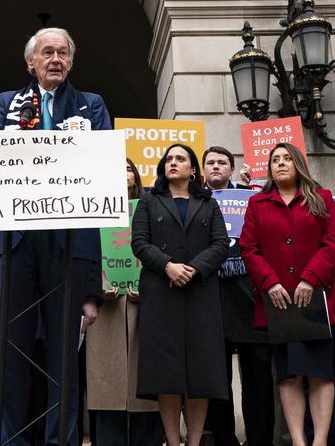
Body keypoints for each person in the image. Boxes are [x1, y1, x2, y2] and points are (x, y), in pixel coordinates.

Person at [0, 27, 108, 446]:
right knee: (11, 350)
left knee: (63, 354)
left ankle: (61, 440)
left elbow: (102, 169)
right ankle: (9, 439)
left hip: (69, 242)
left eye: (63, 52)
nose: (56, 59)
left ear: (71, 61)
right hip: (15, 241)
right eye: (47, 52)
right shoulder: (5, 103)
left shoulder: (91, 105)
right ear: (31, 62)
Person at [239, 142, 335, 446]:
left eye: (287, 158)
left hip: (317, 299)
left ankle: (320, 441)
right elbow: (249, 247)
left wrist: (311, 279)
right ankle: (299, 442)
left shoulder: (322, 198)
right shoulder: (257, 203)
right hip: (279, 302)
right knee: (288, 374)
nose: (281, 163)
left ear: (299, 164)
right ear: (269, 168)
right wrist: (269, 283)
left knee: (320, 373)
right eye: (275, 159)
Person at [131, 144, 228, 446]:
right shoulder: (149, 200)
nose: (173, 162)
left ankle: (194, 441)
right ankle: (173, 441)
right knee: (167, 373)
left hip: (200, 294)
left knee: (200, 373)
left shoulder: (208, 203)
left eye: (180, 158)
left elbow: (220, 244)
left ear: (193, 169)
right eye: (169, 159)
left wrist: (194, 269)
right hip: (161, 293)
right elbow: (139, 242)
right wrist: (168, 266)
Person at [86, 159, 165, 446]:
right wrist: (95, 288)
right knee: (107, 379)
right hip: (106, 305)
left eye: (128, 169)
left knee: (146, 378)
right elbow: (85, 254)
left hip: (144, 303)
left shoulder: (152, 209)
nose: (123, 174)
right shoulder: (91, 210)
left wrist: (149, 289)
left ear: (136, 177)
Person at [199, 145, 272, 446]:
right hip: (209, 297)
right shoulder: (196, 200)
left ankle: (260, 440)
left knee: (258, 378)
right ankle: (224, 439)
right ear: (203, 169)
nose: (216, 166)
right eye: (210, 162)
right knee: (217, 381)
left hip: (250, 295)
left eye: (222, 162)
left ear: (231, 168)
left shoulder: (250, 197)